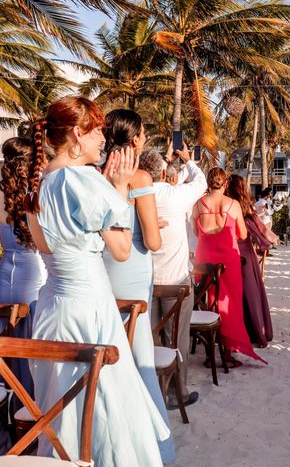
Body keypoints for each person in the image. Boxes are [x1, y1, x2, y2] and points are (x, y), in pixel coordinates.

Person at [24, 96, 169, 465]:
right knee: (105, 411)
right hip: (90, 309)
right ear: (77, 134)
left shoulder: (37, 183)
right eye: (97, 132)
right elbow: (121, 250)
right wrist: (119, 187)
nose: (103, 140)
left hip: (52, 310)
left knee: (63, 412)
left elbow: (47, 248)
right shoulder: (83, 179)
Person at [101, 109, 175, 462]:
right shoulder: (140, 175)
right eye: (143, 133)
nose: (145, 138)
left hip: (102, 269)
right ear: (134, 139)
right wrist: (155, 226)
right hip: (132, 269)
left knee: (110, 347)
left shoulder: (95, 173)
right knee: (138, 352)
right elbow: (154, 242)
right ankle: (150, 444)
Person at [139, 147, 206, 408]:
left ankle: (151, 394)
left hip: (145, 280)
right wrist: (189, 160)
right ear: (163, 171)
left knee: (149, 339)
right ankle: (177, 392)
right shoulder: (175, 195)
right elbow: (201, 182)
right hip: (176, 279)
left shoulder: (134, 195)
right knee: (177, 337)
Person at [193, 168, 266, 367]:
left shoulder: (198, 205)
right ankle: (226, 354)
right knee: (230, 305)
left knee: (208, 302)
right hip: (228, 260)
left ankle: (209, 354)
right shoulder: (232, 204)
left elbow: (195, 230)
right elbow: (242, 234)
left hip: (205, 259)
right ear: (225, 184)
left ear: (208, 183)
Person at [0, 138, 47, 449]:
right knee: (30, 360)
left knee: (5, 356)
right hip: (35, 277)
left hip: (5, 277)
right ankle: (29, 425)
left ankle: (6, 425)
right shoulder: (38, 194)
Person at [226, 175, 273, 348]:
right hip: (245, 249)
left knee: (235, 291)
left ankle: (239, 329)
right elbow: (258, 229)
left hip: (233, 248)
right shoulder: (246, 206)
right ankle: (256, 331)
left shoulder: (228, 204)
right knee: (250, 291)